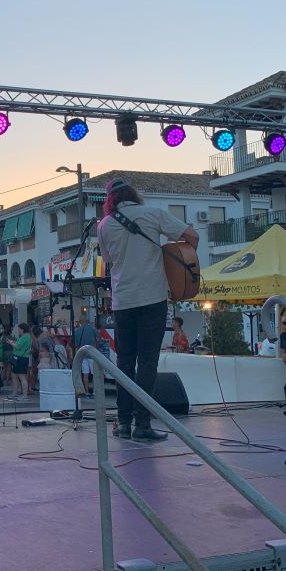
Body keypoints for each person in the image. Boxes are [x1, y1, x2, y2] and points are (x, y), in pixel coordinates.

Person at [98, 178, 199, 441]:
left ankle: (123, 423)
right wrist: (182, 262)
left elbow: (109, 261)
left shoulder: (105, 225)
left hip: (123, 301)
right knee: (148, 362)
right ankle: (143, 425)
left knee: (124, 363)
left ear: (110, 200)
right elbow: (192, 235)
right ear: (133, 194)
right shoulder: (153, 213)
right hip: (153, 298)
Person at [73, 314, 100, 393]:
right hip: (92, 354)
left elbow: (76, 344)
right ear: (86, 320)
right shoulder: (92, 329)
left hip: (82, 355)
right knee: (95, 374)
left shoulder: (77, 331)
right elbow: (98, 339)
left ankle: (87, 392)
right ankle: (95, 392)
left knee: (85, 374)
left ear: (80, 321)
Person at [11, 323, 32, 399]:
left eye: (19, 329)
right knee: (14, 375)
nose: (18, 330)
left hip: (21, 358)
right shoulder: (26, 337)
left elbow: (17, 346)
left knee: (22, 376)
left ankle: (24, 395)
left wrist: (11, 343)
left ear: (23, 329)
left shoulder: (25, 337)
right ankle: (15, 392)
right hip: (21, 358)